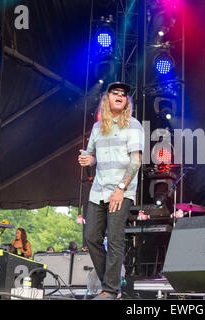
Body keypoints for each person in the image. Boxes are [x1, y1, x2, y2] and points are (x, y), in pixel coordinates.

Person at [78, 81, 144, 300]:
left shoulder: (133, 125)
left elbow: (136, 161)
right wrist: (88, 158)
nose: (119, 95)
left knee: (115, 239)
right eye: (115, 92)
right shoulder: (98, 127)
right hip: (98, 190)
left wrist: (120, 189)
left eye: (123, 94)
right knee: (91, 237)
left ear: (126, 102)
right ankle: (113, 283)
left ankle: (109, 290)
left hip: (120, 190)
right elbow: (91, 156)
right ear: (107, 98)